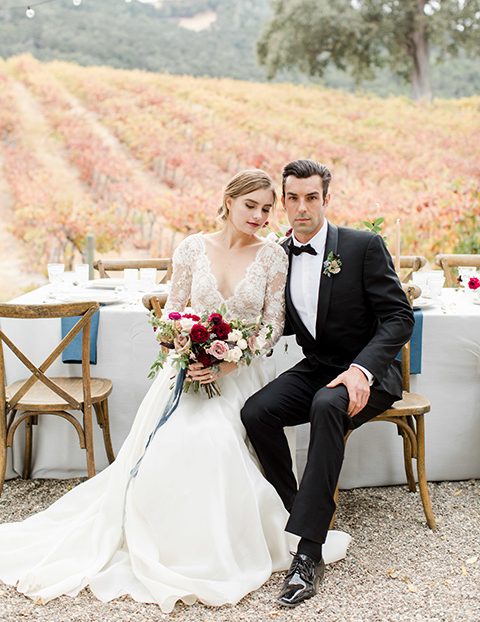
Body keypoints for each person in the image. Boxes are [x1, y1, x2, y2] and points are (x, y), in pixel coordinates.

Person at [0, 169, 349, 613]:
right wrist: (184, 346)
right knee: (175, 441)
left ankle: (219, 545)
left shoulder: (273, 257)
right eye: (251, 206)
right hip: (184, 374)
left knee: (218, 437)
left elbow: (273, 324)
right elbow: (171, 313)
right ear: (228, 201)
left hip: (240, 376)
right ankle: (168, 541)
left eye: (266, 208)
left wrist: (231, 359)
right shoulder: (191, 248)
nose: (260, 216)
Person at [241, 159, 415, 607]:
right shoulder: (278, 255)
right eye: (293, 198)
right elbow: (269, 322)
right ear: (283, 202)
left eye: (311, 197)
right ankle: (296, 507)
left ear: (326, 199)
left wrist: (362, 369)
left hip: (368, 372)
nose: (302, 207)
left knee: (326, 404)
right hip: (319, 366)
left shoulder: (362, 246)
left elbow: (398, 317)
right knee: (256, 412)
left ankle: (307, 551)